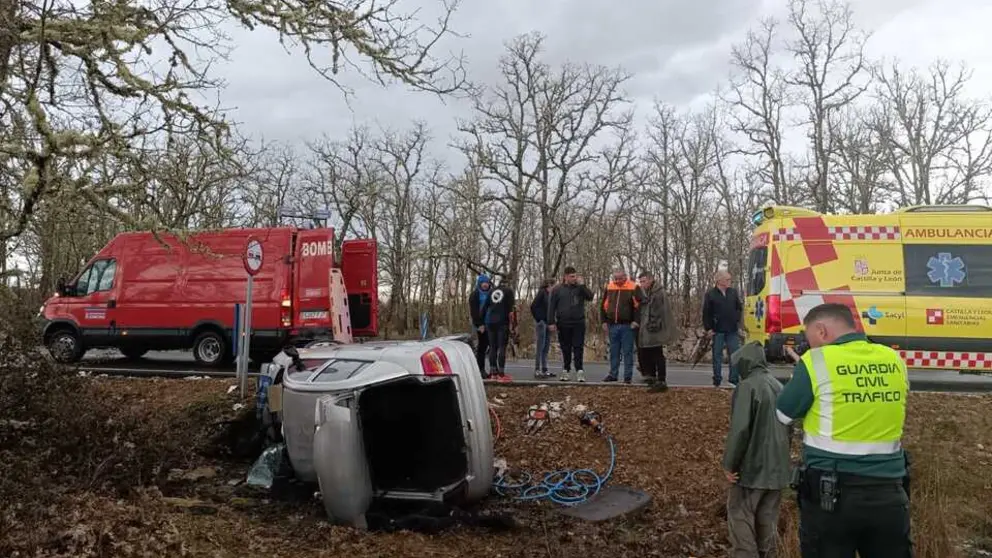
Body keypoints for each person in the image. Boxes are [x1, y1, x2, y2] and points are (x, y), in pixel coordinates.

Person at [776, 303, 912, 557]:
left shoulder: (816, 360)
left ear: (822, 331)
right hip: (890, 493)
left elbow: (783, 413)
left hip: (832, 496)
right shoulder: (893, 359)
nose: (811, 345)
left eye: (811, 338)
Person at [722, 341, 791, 558]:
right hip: (778, 469)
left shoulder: (748, 386)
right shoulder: (778, 385)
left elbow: (740, 430)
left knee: (740, 516)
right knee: (767, 519)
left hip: (752, 469)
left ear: (744, 364)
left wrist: (729, 465)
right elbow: (790, 427)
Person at [548, 266, 594, 382]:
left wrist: (582, 285)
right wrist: (551, 322)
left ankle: (579, 370)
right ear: (565, 277)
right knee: (565, 347)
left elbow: (590, 297)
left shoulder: (580, 288)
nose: (574, 278)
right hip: (563, 323)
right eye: (572, 276)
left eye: (575, 276)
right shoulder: (557, 290)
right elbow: (551, 307)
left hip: (578, 322)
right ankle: (566, 369)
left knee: (578, 347)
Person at [635, 271, 677, 392]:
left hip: (655, 328)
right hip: (649, 327)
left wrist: (652, 325)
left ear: (650, 280)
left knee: (657, 354)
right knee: (648, 352)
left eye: (643, 281)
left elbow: (657, 312)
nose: (642, 284)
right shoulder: (649, 292)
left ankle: (661, 380)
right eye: (640, 282)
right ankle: (652, 377)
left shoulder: (657, 293)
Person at [703, 269, 743, 387]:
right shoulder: (710, 294)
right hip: (717, 330)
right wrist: (708, 329)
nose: (730, 281)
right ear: (719, 280)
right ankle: (717, 379)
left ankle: (733, 379)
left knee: (735, 355)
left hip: (732, 329)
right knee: (717, 356)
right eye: (727, 279)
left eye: (730, 279)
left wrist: (737, 320)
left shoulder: (733, 292)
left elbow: (739, 308)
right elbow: (706, 313)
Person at [601, 269, 641, 383]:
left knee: (627, 351)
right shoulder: (609, 287)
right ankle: (613, 374)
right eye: (615, 278)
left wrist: (636, 321)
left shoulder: (633, 287)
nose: (618, 281)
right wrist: (603, 321)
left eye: (620, 278)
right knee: (613, 351)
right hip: (612, 324)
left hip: (628, 325)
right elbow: (603, 305)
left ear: (625, 277)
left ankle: (627, 376)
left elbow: (639, 306)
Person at [480, 279, 515, 382]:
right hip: (502, 322)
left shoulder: (491, 291)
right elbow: (511, 310)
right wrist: (513, 325)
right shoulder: (508, 291)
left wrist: (481, 322)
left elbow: (484, 308)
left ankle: (493, 372)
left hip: (490, 322)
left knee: (492, 347)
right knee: (502, 347)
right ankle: (501, 373)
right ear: (507, 283)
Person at [467, 274, 492, 377]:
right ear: (480, 284)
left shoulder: (492, 293)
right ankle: (480, 369)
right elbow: (474, 312)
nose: (485, 285)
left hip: (492, 323)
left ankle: (493, 370)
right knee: (482, 347)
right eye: (483, 283)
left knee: (492, 347)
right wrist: (479, 324)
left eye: (487, 283)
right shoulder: (475, 295)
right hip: (481, 324)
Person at [530, 278, 555, 378]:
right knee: (540, 346)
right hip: (542, 323)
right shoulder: (542, 293)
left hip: (549, 323)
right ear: (549, 285)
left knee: (546, 347)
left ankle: (545, 369)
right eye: (553, 286)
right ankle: (537, 369)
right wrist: (539, 319)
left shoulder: (551, 295)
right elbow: (533, 306)